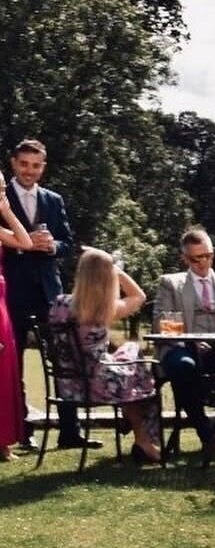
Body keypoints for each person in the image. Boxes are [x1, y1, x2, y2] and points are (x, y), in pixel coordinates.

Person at [1, 139, 95, 451]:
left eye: (36, 165)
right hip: (11, 290)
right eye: (24, 164)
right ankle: (23, 432)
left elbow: (68, 242)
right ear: (14, 163)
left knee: (65, 360)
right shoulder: (1, 196)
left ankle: (70, 432)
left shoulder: (53, 200)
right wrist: (24, 244)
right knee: (13, 364)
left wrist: (53, 246)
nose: (29, 171)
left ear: (43, 167)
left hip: (49, 291)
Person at [47, 248, 161, 463]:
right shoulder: (105, 308)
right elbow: (140, 296)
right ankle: (143, 439)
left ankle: (137, 432)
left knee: (131, 356)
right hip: (98, 384)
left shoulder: (59, 303)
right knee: (140, 377)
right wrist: (118, 271)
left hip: (67, 385)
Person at [153, 227, 215, 457]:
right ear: (185, 258)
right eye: (196, 258)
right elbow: (160, 323)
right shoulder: (170, 284)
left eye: (208, 256)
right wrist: (191, 342)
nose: (204, 262)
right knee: (184, 367)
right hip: (181, 348)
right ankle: (208, 436)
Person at [0, 178, 34, 461]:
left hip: (2, 309)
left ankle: (2, 444)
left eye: (2, 189)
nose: (1, 193)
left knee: (4, 374)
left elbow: (26, 242)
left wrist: (7, 211)